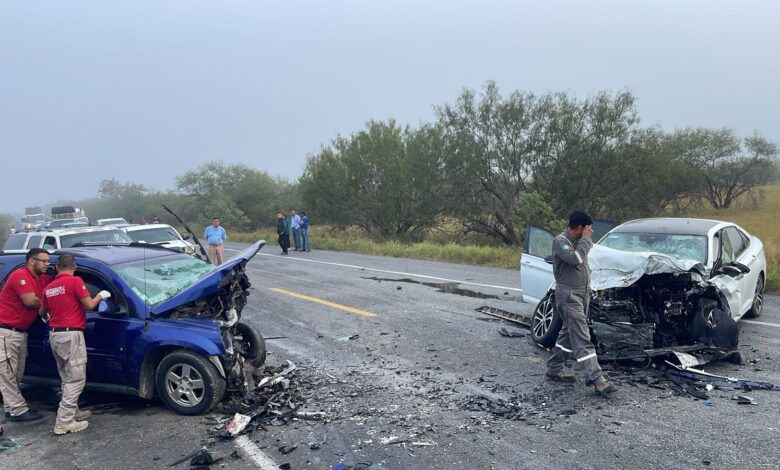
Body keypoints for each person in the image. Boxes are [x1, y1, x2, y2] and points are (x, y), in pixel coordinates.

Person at [545, 210, 616, 396]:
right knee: (582, 337)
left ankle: (554, 367)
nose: (590, 232)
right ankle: (597, 379)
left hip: (582, 294)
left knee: (568, 333)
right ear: (580, 228)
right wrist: (585, 240)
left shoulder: (578, 242)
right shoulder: (561, 241)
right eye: (588, 228)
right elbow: (575, 259)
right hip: (569, 295)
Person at [40, 254, 109, 435]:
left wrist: (52, 317)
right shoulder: (75, 281)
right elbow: (89, 305)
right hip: (72, 335)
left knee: (66, 376)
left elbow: (42, 311)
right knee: (76, 379)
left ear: (57, 268)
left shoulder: (49, 287)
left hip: (55, 334)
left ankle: (74, 412)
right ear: (74, 266)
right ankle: (64, 422)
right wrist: (100, 296)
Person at [0, 248, 52, 422]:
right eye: (43, 261)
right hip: (6, 331)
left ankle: (10, 407)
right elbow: (30, 301)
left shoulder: (42, 279)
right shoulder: (19, 275)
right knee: (7, 373)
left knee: (16, 374)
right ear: (31, 260)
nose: (47, 264)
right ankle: (18, 410)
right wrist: (48, 302)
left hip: (21, 333)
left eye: (48, 261)